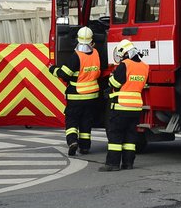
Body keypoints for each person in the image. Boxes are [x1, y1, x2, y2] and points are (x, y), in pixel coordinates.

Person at [48, 27, 101, 156]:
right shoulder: (96, 54)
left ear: (78, 38)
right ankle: (85, 147)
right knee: (86, 123)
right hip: (92, 96)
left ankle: (72, 142)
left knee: (72, 121)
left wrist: (52, 69)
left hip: (76, 95)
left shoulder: (76, 56)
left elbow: (64, 74)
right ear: (91, 39)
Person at [99, 39, 149, 172]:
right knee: (130, 137)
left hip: (121, 106)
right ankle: (128, 163)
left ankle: (112, 164)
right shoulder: (144, 66)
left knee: (115, 135)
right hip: (136, 107)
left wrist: (111, 77)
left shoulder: (125, 65)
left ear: (124, 53)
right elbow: (143, 85)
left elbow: (115, 84)